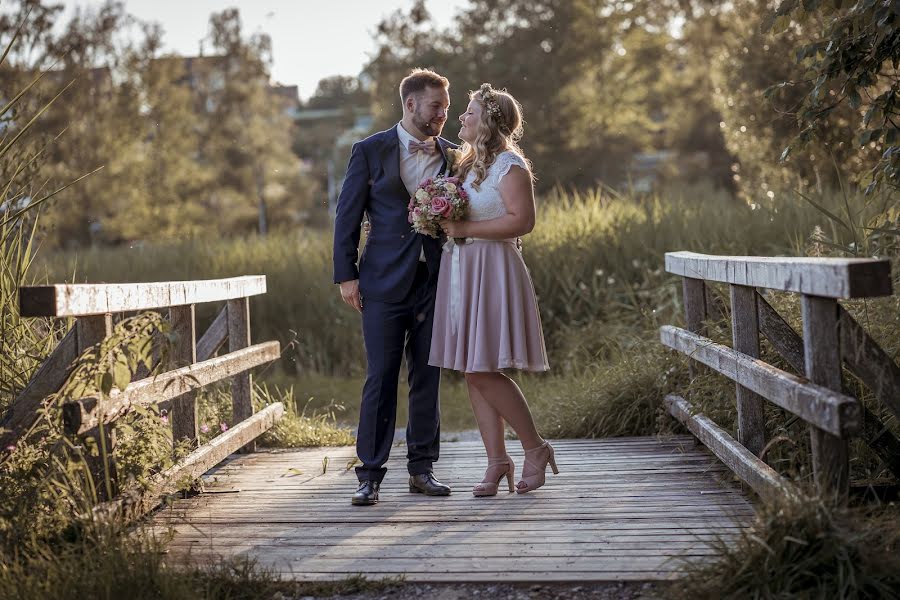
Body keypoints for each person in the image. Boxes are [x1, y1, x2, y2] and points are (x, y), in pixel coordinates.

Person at [333, 68, 458, 506]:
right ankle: (368, 474)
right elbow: (347, 216)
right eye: (436, 106)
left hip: (436, 281)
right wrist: (346, 275)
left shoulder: (454, 156)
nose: (444, 113)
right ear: (410, 104)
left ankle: (422, 470)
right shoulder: (369, 151)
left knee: (428, 377)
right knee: (381, 377)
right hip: (382, 282)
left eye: (446, 105)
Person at [429, 83, 557, 496]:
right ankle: (497, 461)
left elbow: (522, 221)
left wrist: (466, 228)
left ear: (487, 121)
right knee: (473, 369)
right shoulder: (464, 166)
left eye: (468, 112)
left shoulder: (510, 165)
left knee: (481, 368)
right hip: (463, 268)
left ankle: (535, 448)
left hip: (494, 268)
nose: (461, 118)